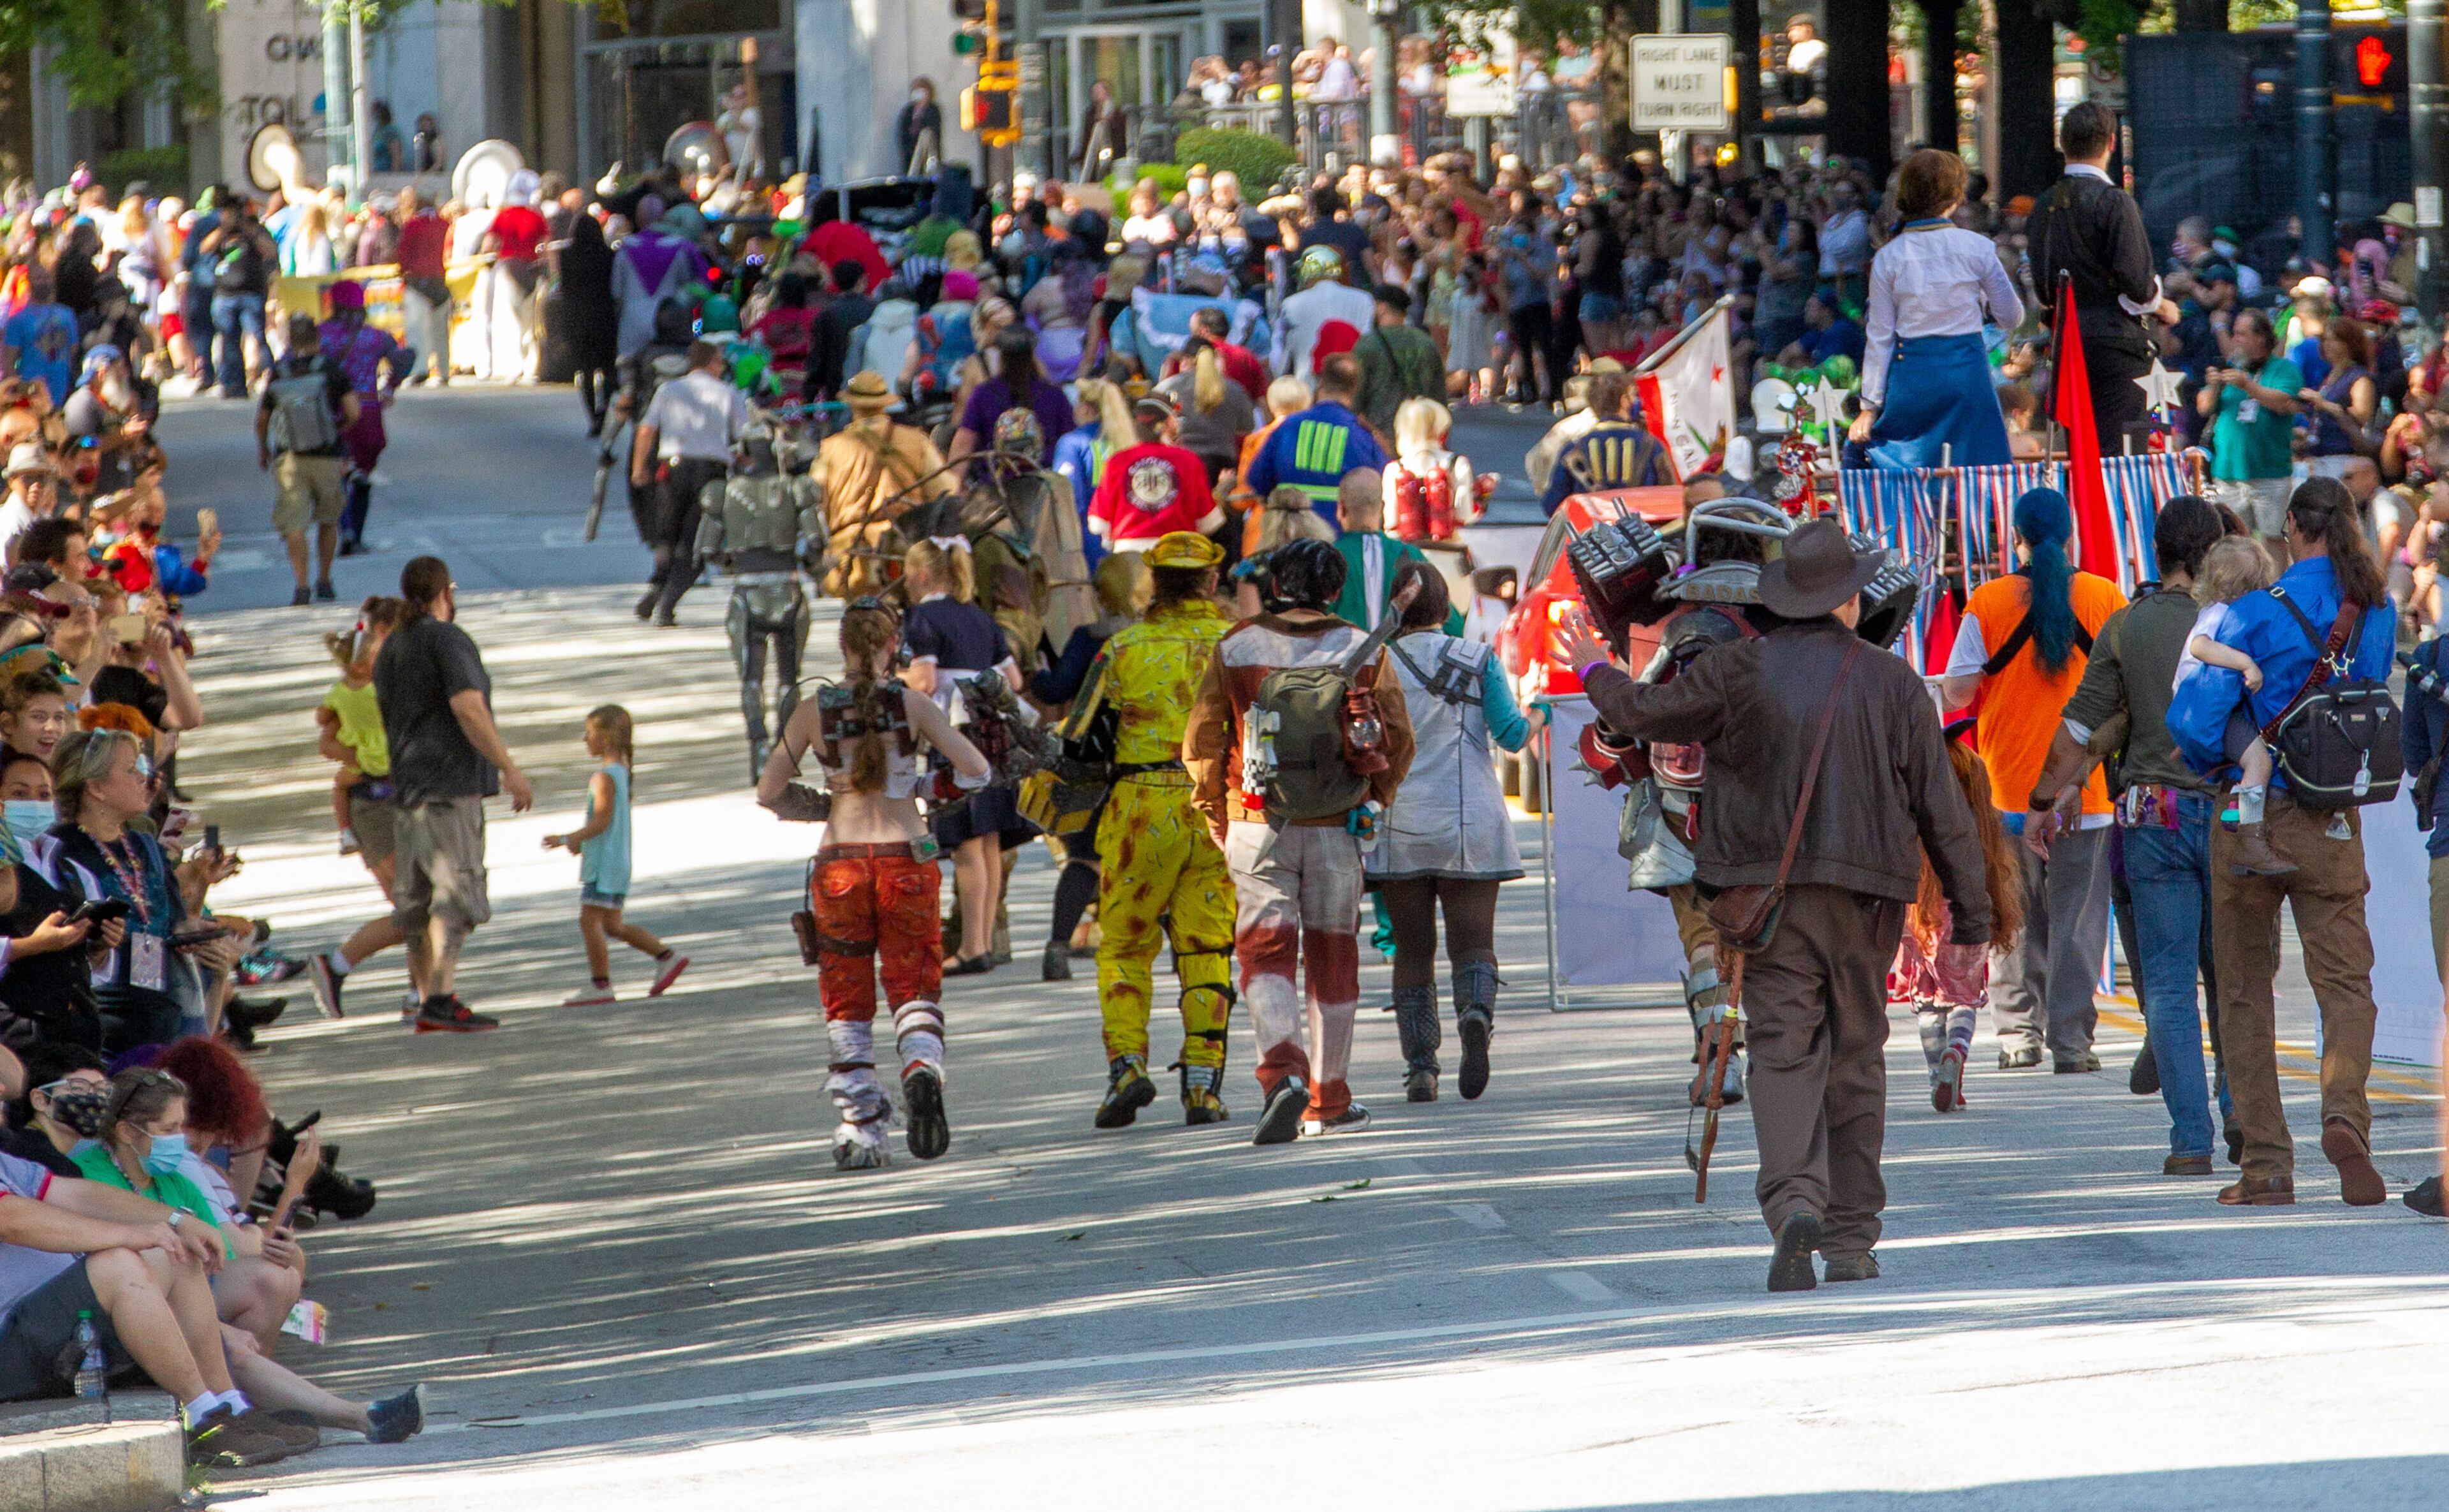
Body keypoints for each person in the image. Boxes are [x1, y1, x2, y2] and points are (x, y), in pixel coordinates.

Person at [1557, 520, 1992, 1291]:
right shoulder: (1894, 684)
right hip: (1868, 902)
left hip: (1767, 897)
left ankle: (1795, 1200)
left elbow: (1645, 718)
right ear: (1847, 602)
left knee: (1785, 1050)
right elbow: (1943, 809)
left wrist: (1594, 669)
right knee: (1856, 1056)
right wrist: (1973, 911)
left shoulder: (1736, 670)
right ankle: (1853, 1236)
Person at [2168, 477, 2397, 1209]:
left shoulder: (2253, 612)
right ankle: (2344, 1114)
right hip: (2335, 816)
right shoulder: (2378, 609)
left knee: (2242, 989)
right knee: (2346, 983)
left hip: (2252, 818)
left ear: (2294, 527)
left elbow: (2198, 723)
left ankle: (2266, 1163)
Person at [2027, 495, 2238, 1172]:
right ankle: (2242, 1112)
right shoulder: (2238, 621)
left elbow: (2081, 726)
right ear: (2214, 550)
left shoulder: (2125, 628)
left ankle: (2191, 1141)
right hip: (2231, 814)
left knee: (2171, 984)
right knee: (2231, 975)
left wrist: (2042, 796)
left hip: (2153, 817)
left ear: (2158, 550)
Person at [1184, 538, 1416, 1144]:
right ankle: (1329, 1099)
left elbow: (1204, 740)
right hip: (1338, 825)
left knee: (1265, 953)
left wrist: (1217, 810)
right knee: (1333, 956)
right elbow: (1397, 735)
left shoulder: (1236, 645)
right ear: (1335, 590)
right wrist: (1374, 798)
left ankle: (1280, 1076)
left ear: (1276, 585)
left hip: (1256, 821)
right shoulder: (1364, 648)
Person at [756, 598, 990, 1169]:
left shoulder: (813, 711)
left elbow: (768, 791)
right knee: (913, 981)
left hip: (839, 864)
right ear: (893, 648)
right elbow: (976, 770)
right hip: (906, 857)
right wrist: (928, 792)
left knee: (847, 993)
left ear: (842, 647)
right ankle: (920, 1066)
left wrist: (816, 806)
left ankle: (860, 1125)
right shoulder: (912, 704)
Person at [1940, 488, 2126, 1072]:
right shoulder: (2103, 596)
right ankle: (2072, 1043)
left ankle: (2020, 1034)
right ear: (2069, 535)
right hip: (2085, 791)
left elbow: (1957, 691)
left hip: (2005, 788)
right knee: (2079, 922)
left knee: (2014, 916)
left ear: (2014, 537)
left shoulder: (1989, 602)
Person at [1076, 534, 1238, 1126]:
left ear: (1154, 584)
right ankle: (1203, 1085)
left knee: (1122, 945)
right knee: (1208, 946)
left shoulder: (1121, 650)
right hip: (1215, 807)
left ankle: (1127, 1067)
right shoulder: (1235, 646)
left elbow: (1080, 739)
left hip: (1139, 810)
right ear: (1212, 583)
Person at [1368, 559, 1529, 1103]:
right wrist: (1543, 716)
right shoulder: (1476, 659)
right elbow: (1511, 735)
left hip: (1400, 822)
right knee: (1474, 942)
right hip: (1470, 822)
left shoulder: (1375, 662)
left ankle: (1421, 1069)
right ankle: (1476, 1015)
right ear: (1444, 607)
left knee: (1412, 950)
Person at [374, 557, 534, 1033]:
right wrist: (509, 768)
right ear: (447, 591)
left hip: (410, 790)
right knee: (454, 896)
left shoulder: (393, 647)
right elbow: (468, 706)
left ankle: (429, 998)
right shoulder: (448, 640)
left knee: (418, 903)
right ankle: (441, 998)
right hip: (448, 787)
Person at [1848, 150, 2020, 471]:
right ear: (1956, 197)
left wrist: (1869, 407)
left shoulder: (1888, 257)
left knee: (1910, 479)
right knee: (1977, 477)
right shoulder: (1978, 247)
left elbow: (1880, 339)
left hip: (1913, 382)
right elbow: (2012, 316)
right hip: (1968, 378)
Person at [901, 541, 1026, 975]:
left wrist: (889, 676)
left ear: (919, 575)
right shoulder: (979, 616)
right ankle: (985, 938)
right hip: (995, 735)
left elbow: (923, 680)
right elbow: (1015, 677)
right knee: (989, 841)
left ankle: (972, 945)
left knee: (968, 846)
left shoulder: (921, 619)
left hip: (956, 737)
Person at [2024, 101, 2179, 453]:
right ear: (2112, 143)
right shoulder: (2115, 203)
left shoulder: (2044, 204)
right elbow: (2138, 284)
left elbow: (2042, 285)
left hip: (2068, 343)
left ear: (2063, 143)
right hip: (2118, 346)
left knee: (2081, 457)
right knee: (2123, 458)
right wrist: (2163, 303)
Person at [540, 705, 688, 1006]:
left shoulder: (603, 777)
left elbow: (602, 821)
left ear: (605, 738)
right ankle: (666, 957)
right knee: (613, 926)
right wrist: (582, 843)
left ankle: (601, 984)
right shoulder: (621, 773)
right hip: (615, 861)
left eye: (590, 734)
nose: (585, 740)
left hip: (604, 866)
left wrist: (569, 838)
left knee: (589, 921)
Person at [2175, 538, 2295, 874]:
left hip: (2201, 708)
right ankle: (2250, 838)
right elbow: (2200, 648)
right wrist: (2246, 663)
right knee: (2260, 763)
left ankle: (2232, 821)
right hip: (2203, 704)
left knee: (2244, 771)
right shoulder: (2221, 615)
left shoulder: (2213, 611)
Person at [630, 341, 748, 626]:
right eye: (720, 362)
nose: (722, 367)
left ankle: (659, 585)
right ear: (710, 363)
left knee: (667, 535)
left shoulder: (669, 390)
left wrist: (639, 468)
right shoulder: (728, 393)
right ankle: (667, 603)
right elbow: (743, 437)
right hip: (710, 474)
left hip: (672, 470)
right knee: (699, 542)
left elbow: (646, 431)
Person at [811, 371, 955, 599]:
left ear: (852, 405)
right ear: (884, 404)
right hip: (903, 548)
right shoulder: (916, 441)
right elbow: (946, 490)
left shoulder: (830, 449)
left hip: (850, 553)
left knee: (859, 622)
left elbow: (815, 502)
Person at [256, 314, 360, 608]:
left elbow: (262, 419)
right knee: (329, 519)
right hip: (326, 457)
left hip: (290, 459)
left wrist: (264, 449)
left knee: (295, 525)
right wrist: (336, 432)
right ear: (317, 339)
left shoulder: (279, 373)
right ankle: (324, 580)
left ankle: (301, 586)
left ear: (290, 341)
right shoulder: (331, 370)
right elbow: (353, 413)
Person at [317, 280, 412, 557]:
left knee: (337, 474)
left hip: (331, 413)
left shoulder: (320, 335)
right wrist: (391, 387)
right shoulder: (376, 338)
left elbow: (289, 363)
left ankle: (344, 529)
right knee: (362, 474)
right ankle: (356, 535)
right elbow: (405, 359)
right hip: (368, 413)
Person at [2198, 309, 2303, 553]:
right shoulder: (2230, 367)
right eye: (2234, 334)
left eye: (2242, 334)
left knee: (2275, 543)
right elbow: (2204, 406)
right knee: (2230, 543)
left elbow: (2284, 402)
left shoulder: (2283, 369)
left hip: (2269, 475)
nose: (2235, 340)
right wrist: (2215, 386)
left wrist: (2248, 385)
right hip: (2228, 475)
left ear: (2261, 338)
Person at [1242, 354, 1387, 529]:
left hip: (1290, 536)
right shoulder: (1361, 436)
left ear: (1321, 382)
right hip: (1339, 542)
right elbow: (1381, 485)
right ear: (1354, 389)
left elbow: (1258, 480)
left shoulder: (1288, 427)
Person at [1087, 392, 1227, 554]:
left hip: (1130, 556)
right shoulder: (1189, 460)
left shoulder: (1116, 462)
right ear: (1169, 422)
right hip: (1177, 554)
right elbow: (1208, 523)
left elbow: (1098, 524)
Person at [1538, 370, 1672, 517]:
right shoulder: (1652, 445)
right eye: (1633, 395)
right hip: (1643, 532)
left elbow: (1552, 505)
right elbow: (1669, 497)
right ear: (1624, 401)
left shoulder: (1573, 449)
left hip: (1589, 533)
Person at [951, 327, 1073, 467]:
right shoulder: (1053, 394)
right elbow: (1068, 438)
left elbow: (965, 442)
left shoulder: (984, 394)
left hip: (997, 480)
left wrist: (956, 483)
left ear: (1002, 356)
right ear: (1032, 356)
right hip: (1045, 476)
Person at [1155, 336, 1258, 487]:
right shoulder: (1234, 389)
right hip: (1223, 468)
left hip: (1181, 464)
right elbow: (1247, 426)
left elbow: (1153, 420)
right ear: (1214, 358)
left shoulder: (1169, 387)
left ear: (1185, 360)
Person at [553, 212, 621, 435]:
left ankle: (593, 415)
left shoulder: (567, 256)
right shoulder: (608, 255)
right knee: (609, 369)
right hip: (604, 318)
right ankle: (603, 410)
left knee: (586, 372)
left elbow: (564, 286)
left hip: (577, 318)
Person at [1354, 283, 1446, 443]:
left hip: (1379, 434)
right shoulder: (1426, 343)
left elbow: (1356, 396)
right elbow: (1439, 395)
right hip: (1420, 431)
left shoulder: (1367, 345)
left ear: (1382, 307)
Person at [1276, 247, 1375, 379]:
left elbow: (1280, 358)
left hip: (1307, 385)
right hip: (1354, 382)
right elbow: (1368, 342)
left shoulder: (1290, 304)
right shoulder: (1364, 299)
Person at [393, 188, 452, 385]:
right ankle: (443, 371)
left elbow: (403, 254)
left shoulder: (412, 225)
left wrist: (403, 271)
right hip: (439, 281)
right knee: (440, 332)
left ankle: (420, 370)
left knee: (417, 330)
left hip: (417, 282)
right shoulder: (444, 224)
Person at [3, 269, 80, 406]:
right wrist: (24, 392)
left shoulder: (67, 314)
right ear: (30, 282)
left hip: (61, 390)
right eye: (39, 278)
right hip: (31, 394)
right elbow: (9, 362)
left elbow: (73, 350)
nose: (44, 282)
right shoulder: (17, 320)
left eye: (47, 278)